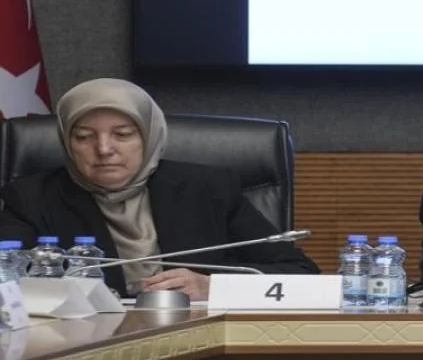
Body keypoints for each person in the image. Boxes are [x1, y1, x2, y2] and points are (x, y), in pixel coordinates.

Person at [0, 78, 319, 299]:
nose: (104, 149)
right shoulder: (31, 197)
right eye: (84, 137)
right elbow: (5, 279)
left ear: (150, 136)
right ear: (66, 142)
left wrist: (213, 287)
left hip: (197, 342)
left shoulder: (209, 189)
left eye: (123, 134)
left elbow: (301, 274)